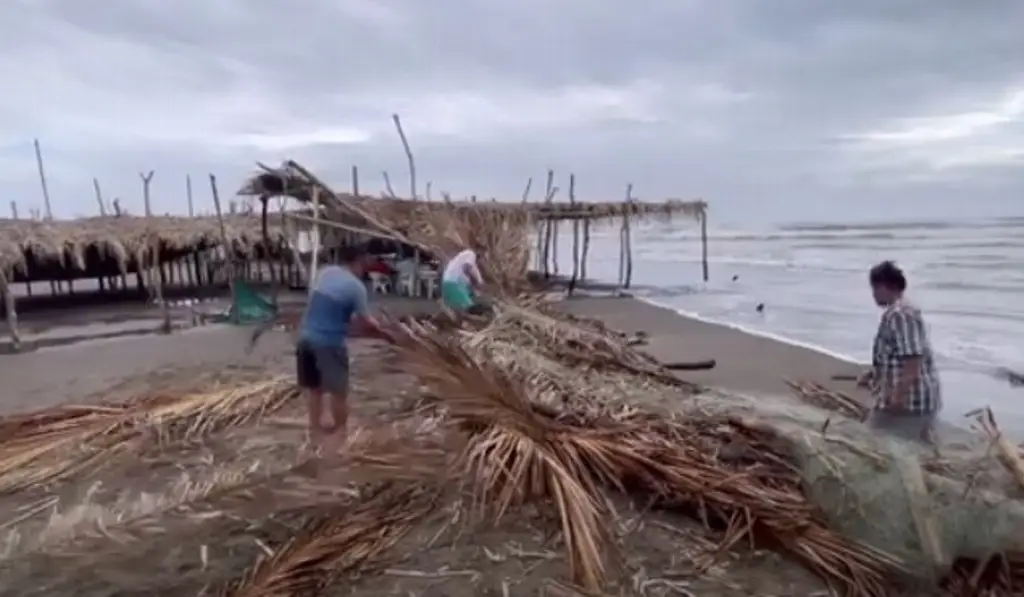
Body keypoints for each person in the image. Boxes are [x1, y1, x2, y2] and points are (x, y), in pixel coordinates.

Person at [296, 244, 389, 452]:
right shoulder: (355, 287)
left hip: (305, 338)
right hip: (329, 344)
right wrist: (386, 333)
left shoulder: (324, 273)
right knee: (339, 392)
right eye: (366, 260)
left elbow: (324, 307)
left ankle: (315, 434)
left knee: (315, 390)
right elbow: (368, 322)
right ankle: (340, 437)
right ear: (360, 260)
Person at [857, 261, 942, 443]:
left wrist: (898, 397)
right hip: (918, 400)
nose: (873, 294)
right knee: (918, 449)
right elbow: (897, 354)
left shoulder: (900, 314)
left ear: (890, 286)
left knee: (872, 441)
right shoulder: (902, 311)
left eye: (876, 287)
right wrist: (875, 374)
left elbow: (913, 358)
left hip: (910, 403)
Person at [441, 245, 484, 313]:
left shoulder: (465, 258)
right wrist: (477, 281)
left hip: (449, 283)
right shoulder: (470, 254)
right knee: (471, 308)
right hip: (453, 283)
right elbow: (467, 268)